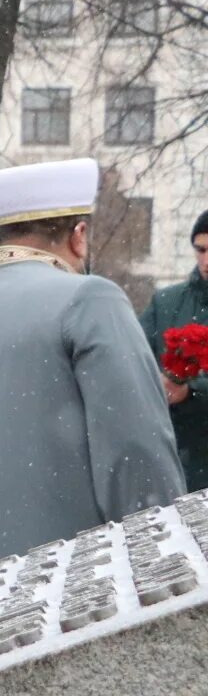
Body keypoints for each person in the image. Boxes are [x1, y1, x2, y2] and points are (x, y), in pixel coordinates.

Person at [0, 158, 183, 585]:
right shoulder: (89, 299)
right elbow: (137, 455)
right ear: (78, 236)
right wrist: (166, 571)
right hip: (74, 597)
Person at [138, 210, 208, 493]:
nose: (206, 260)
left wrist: (192, 391)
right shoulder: (166, 302)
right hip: (175, 452)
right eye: (201, 249)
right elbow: (134, 355)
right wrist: (158, 381)